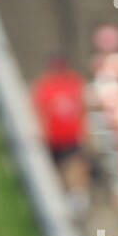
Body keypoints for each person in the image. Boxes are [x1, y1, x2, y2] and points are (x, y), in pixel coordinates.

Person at [31, 54, 90, 219]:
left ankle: (77, 200)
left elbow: (82, 108)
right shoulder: (45, 86)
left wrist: (85, 132)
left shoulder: (74, 83)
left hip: (71, 137)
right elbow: (39, 110)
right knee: (54, 173)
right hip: (52, 139)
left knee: (74, 167)